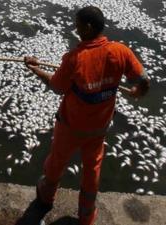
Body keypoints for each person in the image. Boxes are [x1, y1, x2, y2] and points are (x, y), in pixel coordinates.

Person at [24, 5, 150, 225]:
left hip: (70, 128)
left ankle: (45, 201)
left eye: (78, 25)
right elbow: (143, 79)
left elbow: (56, 86)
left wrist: (35, 68)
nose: (75, 28)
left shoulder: (75, 58)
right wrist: (138, 92)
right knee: (92, 172)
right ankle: (86, 217)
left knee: (56, 164)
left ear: (89, 27)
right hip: (99, 129)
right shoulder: (121, 51)